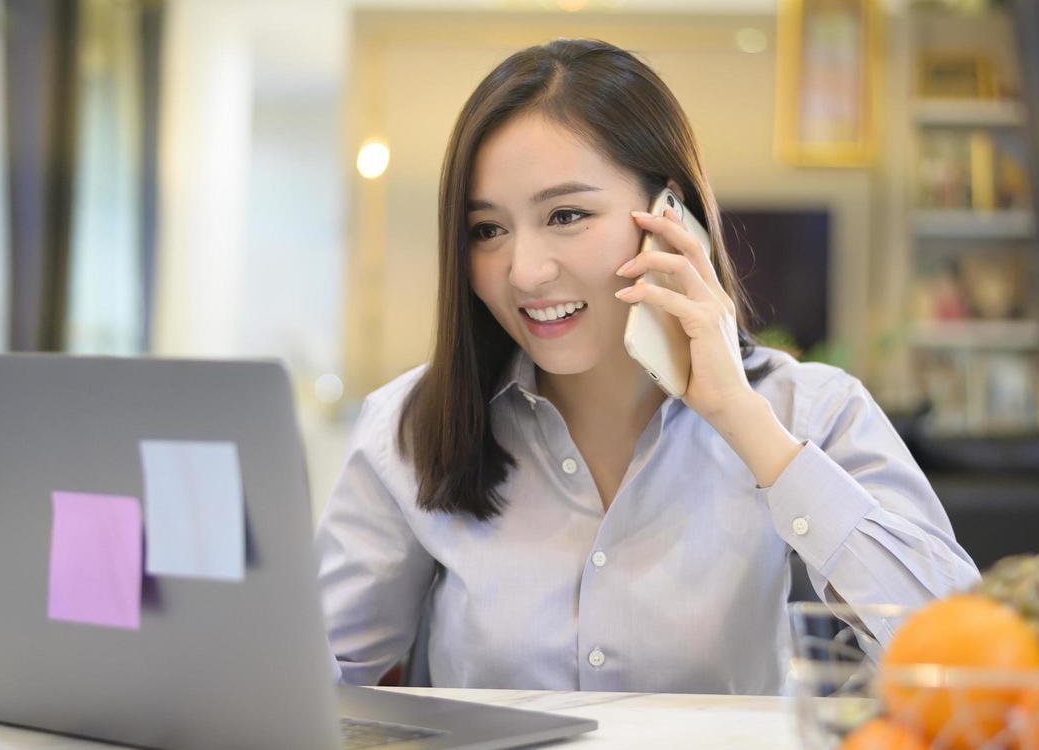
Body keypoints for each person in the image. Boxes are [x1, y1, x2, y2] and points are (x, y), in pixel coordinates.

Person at [316, 38, 978, 694]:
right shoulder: (408, 424)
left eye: (565, 215)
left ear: (670, 216)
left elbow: (966, 663)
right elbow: (311, 686)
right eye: (487, 230)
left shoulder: (811, 410)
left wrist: (746, 423)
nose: (523, 272)